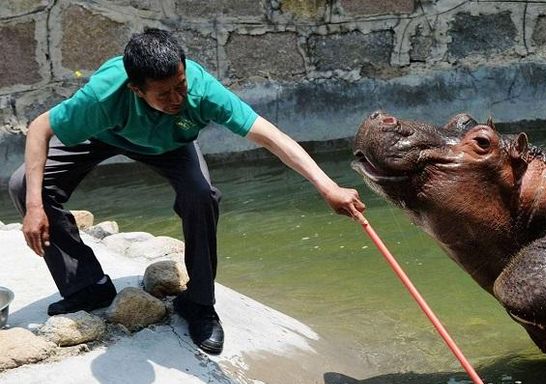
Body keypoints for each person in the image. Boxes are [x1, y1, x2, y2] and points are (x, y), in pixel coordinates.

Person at [9, 28, 365, 355]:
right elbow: (40, 128)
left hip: (170, 146)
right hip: (105, 134)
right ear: (136, 88)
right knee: (25, 184)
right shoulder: (104, 96)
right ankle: (87, 285)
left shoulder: (201, 90)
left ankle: (199, 304)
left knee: (201, 195)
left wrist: (327, 186)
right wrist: (35, 206)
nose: (177, 97)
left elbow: (269, 136)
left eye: (180, 85)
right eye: (163, 93)